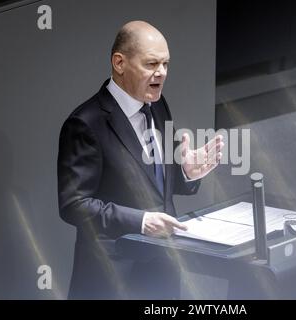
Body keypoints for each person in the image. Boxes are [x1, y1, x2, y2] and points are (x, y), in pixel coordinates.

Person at [57, 20, 223, 299]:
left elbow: (155, 182)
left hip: (163, 270)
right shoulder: (85, 124)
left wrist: (185, 173)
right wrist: (141, 221)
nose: (162, 73)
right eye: (151, 64)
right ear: (119, 63)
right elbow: (74, 204)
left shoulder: (158, 105)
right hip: (113, 278)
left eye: (166, 64)